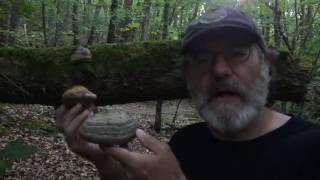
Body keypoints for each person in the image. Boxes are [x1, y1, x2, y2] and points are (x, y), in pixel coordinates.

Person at [54, 7, 320, 180]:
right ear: (187, 77)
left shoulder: (311, 151)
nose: (219, 70)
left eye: (238, 53)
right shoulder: (184, 143)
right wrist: (106, 161)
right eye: (202, 59)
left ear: (268, 67)